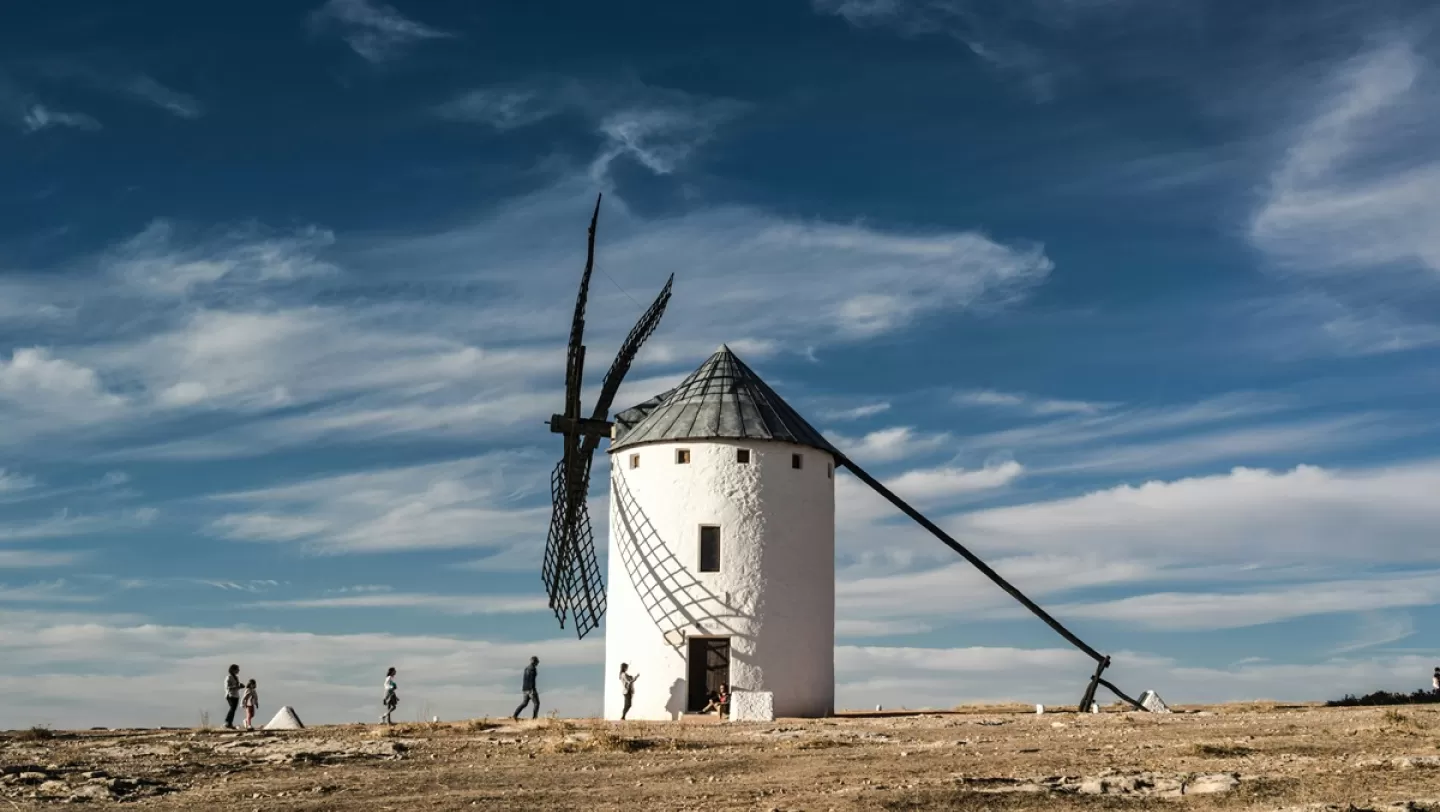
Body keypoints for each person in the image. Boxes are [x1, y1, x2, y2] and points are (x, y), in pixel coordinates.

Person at [512, 656, 540, 721]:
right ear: (535, 662)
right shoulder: (533, 669)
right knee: (536, 703)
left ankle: (515, 715)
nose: (538, 663)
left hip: (525, 689)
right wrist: (533, 689)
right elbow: (531, 680)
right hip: (531, 689)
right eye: (537, 662)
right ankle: (534, 718)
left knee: (524, 703)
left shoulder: (526, 668)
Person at [223, 664, 242, 730]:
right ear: (233, 670)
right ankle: (227, 721)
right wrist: (236, 686)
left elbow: (237, 687)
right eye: (237, 669)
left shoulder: (236, 677)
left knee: (233, 709)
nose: (238, 670)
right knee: (232, 708)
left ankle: (229, 723)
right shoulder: (228, 677)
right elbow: (227, 687)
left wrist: (240, 687)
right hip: (230, 695)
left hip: (236, 695)